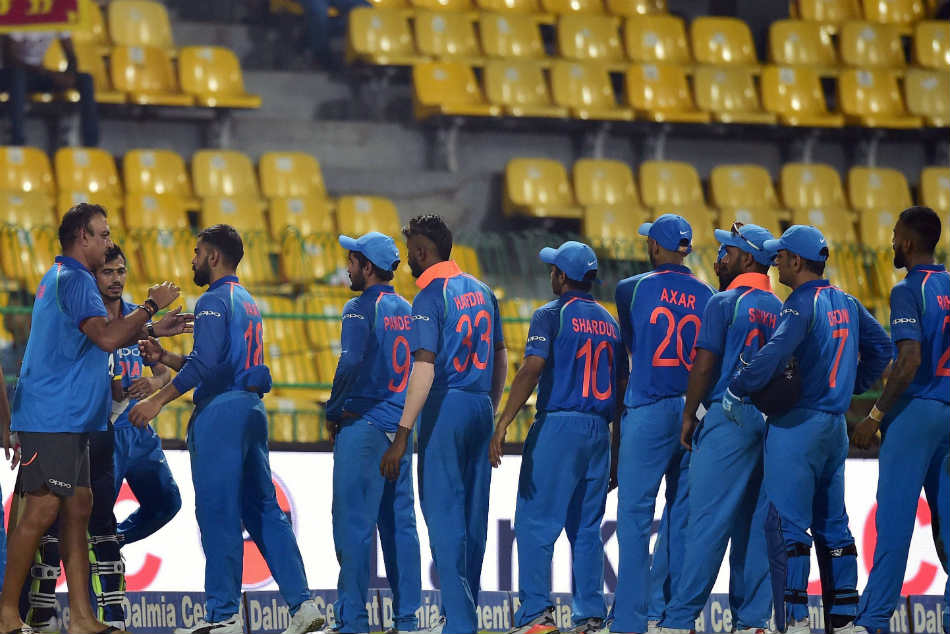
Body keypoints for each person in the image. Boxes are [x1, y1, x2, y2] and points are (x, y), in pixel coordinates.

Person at [128, 224, 324, 634]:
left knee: (218, 511)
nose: (193, 260)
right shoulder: (247, 301)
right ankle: (302, 606)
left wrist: (156, 400)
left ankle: (223, 615)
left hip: (221, 415)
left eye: (198, 252)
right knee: (265, 509)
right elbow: (217, 364)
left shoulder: (212, 300)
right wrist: (165, 355)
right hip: (251, 409)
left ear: (214, 256)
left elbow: (206, 368)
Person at [0, 203, 185, 634]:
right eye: (102, 234)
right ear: (82, 237)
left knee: (79, 508)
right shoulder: (77, 279)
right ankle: (8, 613)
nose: (107, 241)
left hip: (72, 418)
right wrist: (152, 308)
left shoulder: (63, 277)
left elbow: (98, 334)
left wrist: (151, 330)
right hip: (53, 416)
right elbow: (105, 337)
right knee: (41, 509)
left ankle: (82, 618)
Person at [724, 225, 893, 634]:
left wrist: (738, 385)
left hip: (796, 425)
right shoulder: (848, 301)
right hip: (835, 427)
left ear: (796, 262)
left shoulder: (799, 304)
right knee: (834, 525)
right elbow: (884, 350)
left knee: (788, 527)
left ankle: (796, 620)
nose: (776, 261)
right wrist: (851, 385)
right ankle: (845, 619)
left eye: (780, 256)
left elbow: (774, 353)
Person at [379, 214, 507, 634]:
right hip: (480, 406)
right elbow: (503, 356)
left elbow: (424, 370)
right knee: (473, 518)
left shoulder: (431, 296)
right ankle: (461, 614)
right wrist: (489, 407)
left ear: (421, 251)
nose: (409, 260)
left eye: (411, 251)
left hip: (445, 406)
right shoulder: (484, 290)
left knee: (443, 516)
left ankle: (459, 623)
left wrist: (401, 435)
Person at [491, 241, 628, 634]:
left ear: (562, 276)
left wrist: (502, 423)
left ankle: (536, 615)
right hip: (599, 430)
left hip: (560, 426)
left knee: (535, 524)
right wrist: (614, 449)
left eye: (553, 269)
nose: (550, 274)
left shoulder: (550, 315)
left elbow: (531, 369)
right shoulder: (610, 323)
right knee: (587, 529)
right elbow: (621, 386)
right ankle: (590, 617)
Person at [658, 223, 781, 634]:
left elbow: (705, 363)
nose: (717, 259)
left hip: (728, 418)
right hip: (772, 424)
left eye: (726, 251)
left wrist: (690, 413)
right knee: (755, 527)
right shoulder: (784, 308)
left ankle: (677, 621)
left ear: (747, 258)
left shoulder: (725, 302)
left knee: (706, 525)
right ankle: (752, 622)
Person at [611, 214, 714, 634]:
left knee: (634, 519)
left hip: (649, 409)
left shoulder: (629, 288)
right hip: (694, 410)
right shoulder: (709, 295)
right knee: (682, 517)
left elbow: (633, 347)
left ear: (655, 247)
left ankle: (632, 621)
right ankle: (670, 617)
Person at [850, 207, 950, 634]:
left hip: (916, 411)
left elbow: (908, 359)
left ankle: (871, 621)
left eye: (894, 235)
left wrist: (875, 414)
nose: (891, 243)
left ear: (908, 243)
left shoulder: (908, 289)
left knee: (893, 522)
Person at [324, 232, 422, 634]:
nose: (347, 267)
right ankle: (407, 619)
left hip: (363, 425)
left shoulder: (359, 307)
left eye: (352, 260)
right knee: (400, 527)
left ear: (367, 267)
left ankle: (353, 621)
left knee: (353, 526)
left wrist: (333, 409)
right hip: (399, 430)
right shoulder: (409, 308)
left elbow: (349, 363)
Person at [99, 245, 182, 546]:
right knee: (96, 515)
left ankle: (112, 543)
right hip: (106, 433)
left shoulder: (137, 316)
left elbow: (164, 373)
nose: (115, 278)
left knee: (167, 503)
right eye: (107, 272)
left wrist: (152, 383)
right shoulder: (90, 320)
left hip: (139, 432)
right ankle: (98, 552)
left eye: (120, 271)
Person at [0, 33, 98, 146]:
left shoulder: (55, 17)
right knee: (17, 76)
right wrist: (46, 72)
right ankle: (17, 141)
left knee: (85, 79)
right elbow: (9, 60)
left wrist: (69, 75)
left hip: (38, 74)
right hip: (10, 75)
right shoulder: (20, 18)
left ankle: (91, 143)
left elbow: (72, 56)